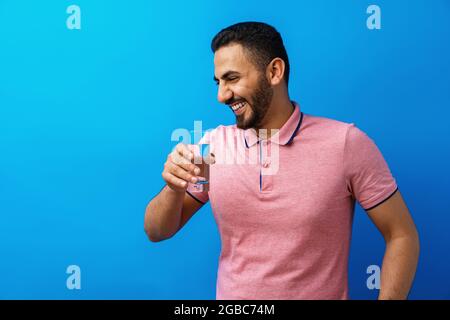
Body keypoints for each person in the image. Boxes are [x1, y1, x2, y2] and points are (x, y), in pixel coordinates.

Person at [144, 22, 419, 300]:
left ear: (274, 72)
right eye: (218, 82)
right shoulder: (213, 146)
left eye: (232, 79)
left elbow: (402, 235)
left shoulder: (346, 143)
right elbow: (157, 231)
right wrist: (173, 187)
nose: (221, 95)